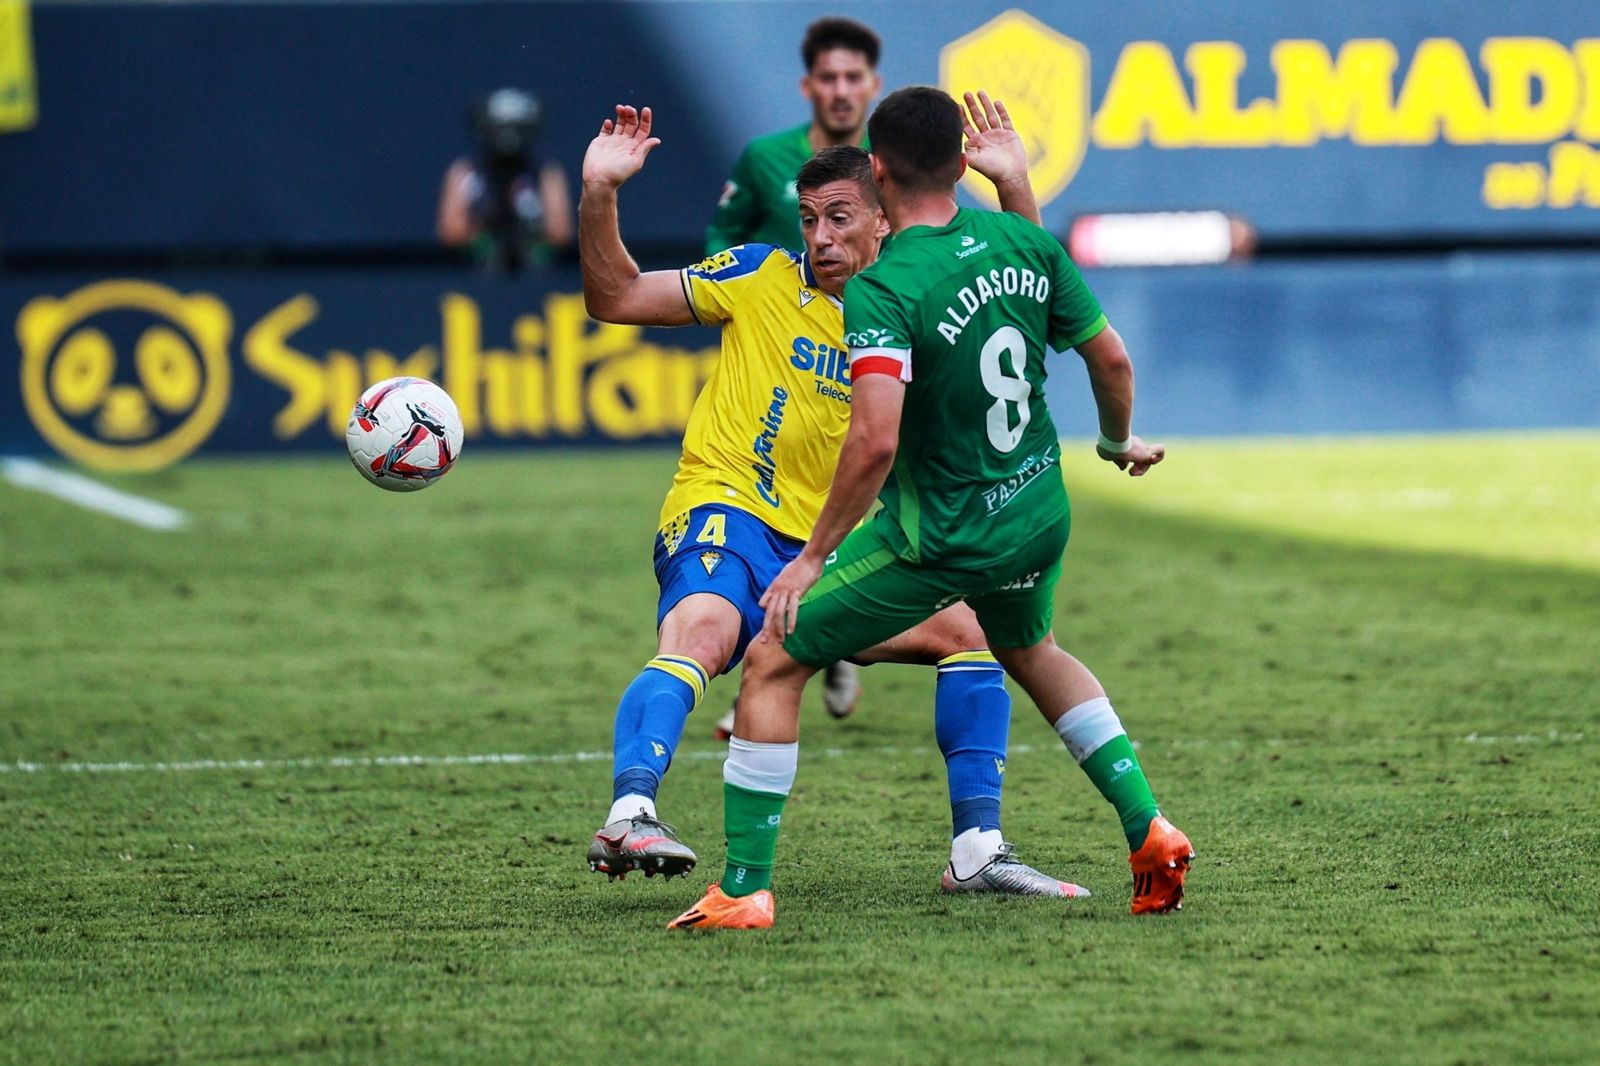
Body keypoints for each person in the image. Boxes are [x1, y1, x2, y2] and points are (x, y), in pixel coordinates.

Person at [669, 87, 1194, 931]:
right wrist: (1117, 443)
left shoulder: (885, 290)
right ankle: (1148, 827)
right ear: (964, 161)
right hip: (1037, 506)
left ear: (876, 173)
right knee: (1033, 649)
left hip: (945, 532)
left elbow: (875, 444)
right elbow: (1111, 358)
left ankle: (742, 889)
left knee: (772, 654)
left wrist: (810, 558)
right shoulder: (1024, 236)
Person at [579, 99, 1083, 902]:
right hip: (730, 509)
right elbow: (616, 297)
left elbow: (1028, 285)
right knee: (707, 633)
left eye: (839, 218)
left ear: (884, 219)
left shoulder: (918, 303)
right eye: (809, 218)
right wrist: (600, 193)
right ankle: (630, 810)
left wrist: (1016, 184)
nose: (818, 238)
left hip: (838, 538)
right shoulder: (756, 276)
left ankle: (978, 850)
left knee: (972, 634)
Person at [703, 15, 885, 733]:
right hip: (779, 351)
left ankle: (817, 630)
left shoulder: (884, 169)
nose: (841, 91)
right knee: (762, 490)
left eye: (853, 78)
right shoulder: (763, 158)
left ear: (871, 85)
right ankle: (780, 655)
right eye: (829, 78)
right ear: (808, 86)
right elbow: (722, 236)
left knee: (850, 484)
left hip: (862, 355)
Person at [437, 88, 574, 273]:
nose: (508, 137)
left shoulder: (546, 173)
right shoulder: (465, 172)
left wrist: (527, 229)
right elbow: (450, 233)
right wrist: (488, 228)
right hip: (475, 272)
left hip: (535, 272)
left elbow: (561, 234)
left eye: (516, 128)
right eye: (500, 128)